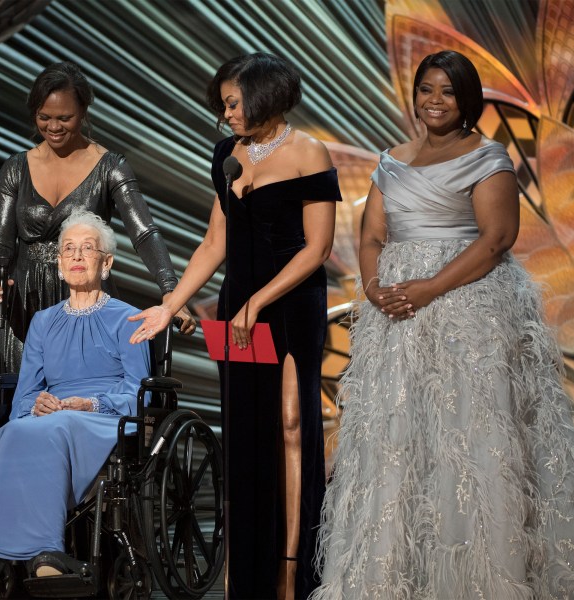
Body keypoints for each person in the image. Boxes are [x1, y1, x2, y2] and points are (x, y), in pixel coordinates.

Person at [312, 50, 574, 599]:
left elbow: (497, 238)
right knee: (400, 436)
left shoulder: (487, 157)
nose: (435, 101)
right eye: (426, 89)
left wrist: (430, 288)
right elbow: (371, 236)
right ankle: (397, 574)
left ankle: (480, 575)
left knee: (470, 431)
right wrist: (376, 288)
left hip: (468, 309)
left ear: (467, 100)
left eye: (448, 91)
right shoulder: (391, 160)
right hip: (398, 319)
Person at [129, 53, 340, 600]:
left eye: (233, 103)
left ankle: (294, 571)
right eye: (223, 105)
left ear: (266, 96)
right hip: (237, 312)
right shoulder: (226, 154)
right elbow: (213, 242)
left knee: (291, 426)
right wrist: (170, 303)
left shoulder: (308, 152)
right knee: (245, 434)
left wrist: (259, 302)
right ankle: (247, 577)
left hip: (292, 305)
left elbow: (317, 248)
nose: (226, 114)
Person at [0, 209, 151, 582]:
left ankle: (48, 551)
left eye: (88, 248)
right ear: (60, 264)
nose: (77, 256)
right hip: (54, 417)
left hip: (106, 419)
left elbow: (138, 392)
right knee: (16, 430)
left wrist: (92, 403)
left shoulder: (129, 318)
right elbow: (26, 393)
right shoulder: (43, 321)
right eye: (69, 249)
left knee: (54, 428)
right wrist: (36, 404)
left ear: (106, 263)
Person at [0, 61, 194, 373]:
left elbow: (144, 233)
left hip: (85, 296)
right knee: (24, 393)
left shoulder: (110, 166)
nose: (53, 127)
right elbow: (0, 242)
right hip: (26, 302)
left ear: (83, 112)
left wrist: (171, 292)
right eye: (44, 117)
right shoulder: (15, 168)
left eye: (64, 118)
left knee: (84, 390)